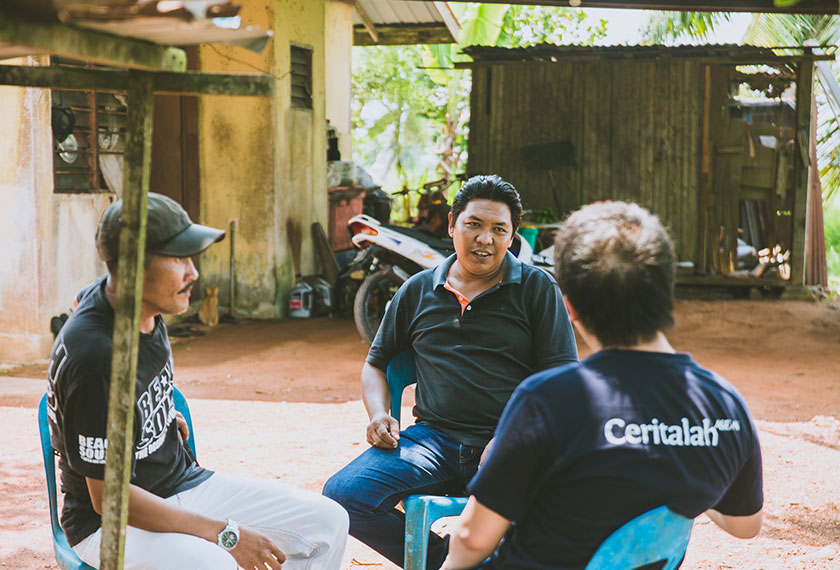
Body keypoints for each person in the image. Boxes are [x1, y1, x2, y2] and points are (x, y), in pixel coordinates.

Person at [440, 201, 764, 570]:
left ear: (571, 307)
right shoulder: (723, 404)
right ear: (665, 293)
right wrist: (683, 478)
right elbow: (746, 525)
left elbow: (472, 540)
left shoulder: (547, 400)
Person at [46, 193, 348, 570]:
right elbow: (109, 500)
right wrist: (225, 533)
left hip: (181, 482)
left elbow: (84, 299)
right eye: (178, 259)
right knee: (215, 563)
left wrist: (152, 415)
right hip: (110, 524)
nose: (194, 273)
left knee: (329, 522)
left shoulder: (131, 301)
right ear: (134, 268)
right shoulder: (95, 358)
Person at [323, 175, 578, 569]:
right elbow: (377, 362)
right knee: (344, 495)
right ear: (451, 225)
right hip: (432, 443)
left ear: (512, 237)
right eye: (474, 224)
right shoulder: (416, 290)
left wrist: (513, 438)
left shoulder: (537, 289)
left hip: (511, 446)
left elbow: (563, 382)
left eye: (499, 229)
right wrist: (378, 414)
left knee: (560, 514)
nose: (485, 239)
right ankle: (452, 563)